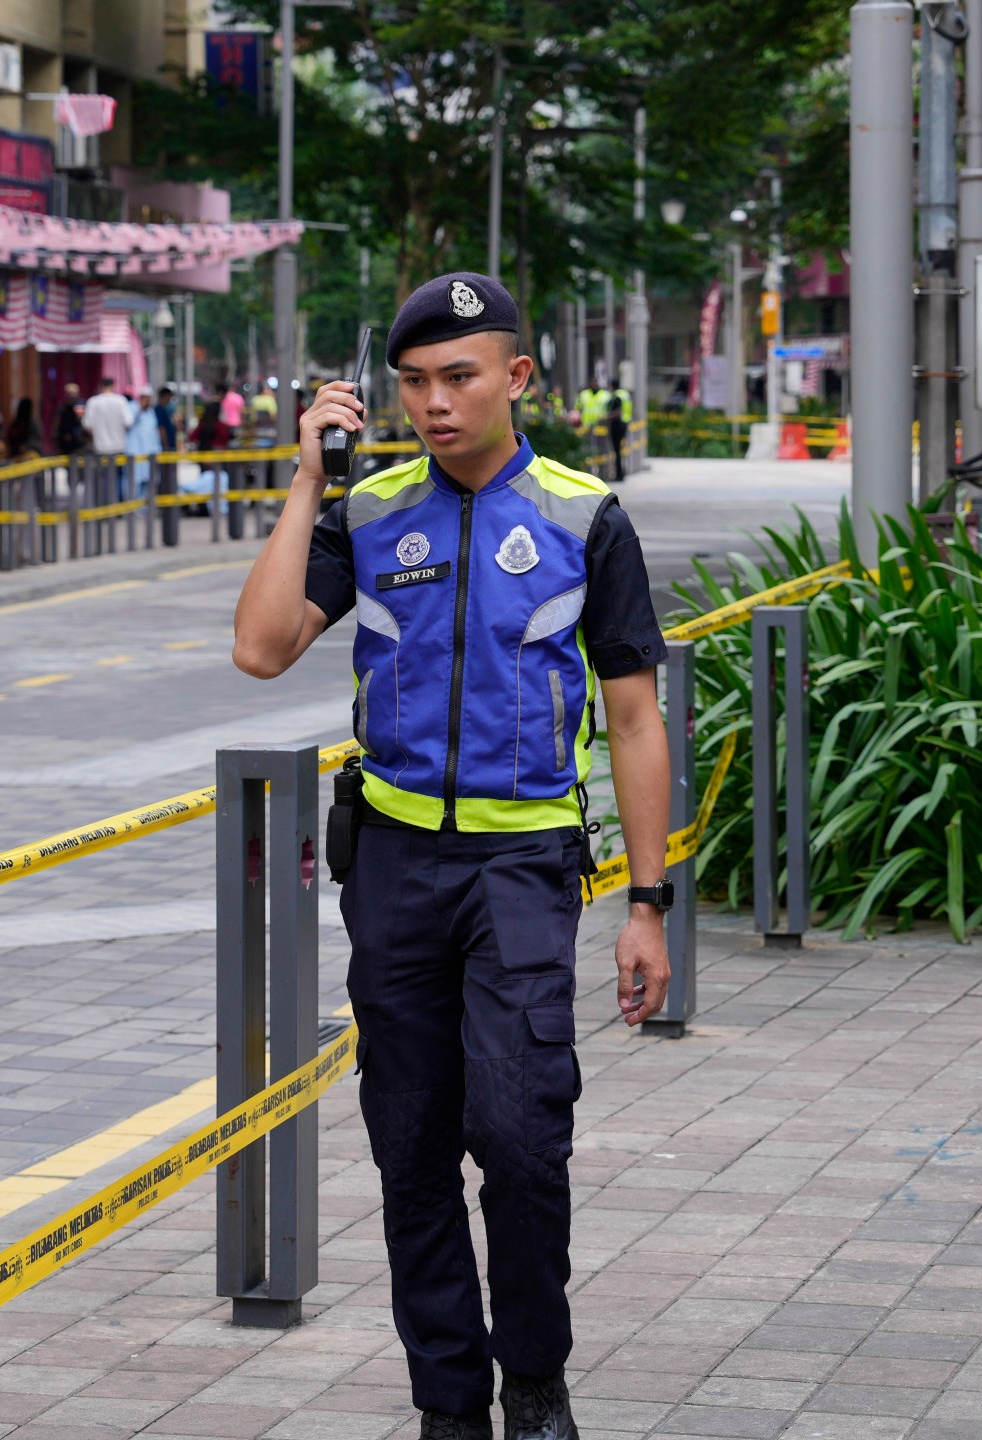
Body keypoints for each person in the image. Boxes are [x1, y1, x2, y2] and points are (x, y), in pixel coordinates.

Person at [231, 272, 670, 1440]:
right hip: (394, 871)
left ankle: (533, 1376)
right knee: (411, 1144)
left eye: (459, 378)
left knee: (523, 1136)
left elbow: (634, 718)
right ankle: (447, 1404)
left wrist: (647, 901)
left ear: (517, 378)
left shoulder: (587, 518)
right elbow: (262, 647)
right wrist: (303, 482)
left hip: (523, 867)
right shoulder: (368, 515)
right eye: (414, 382)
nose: (434, 402)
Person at [83, 375, 133, 458]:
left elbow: (87, 424)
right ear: (113, 386)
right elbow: (128, 422)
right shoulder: (121, 401)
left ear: (101, 386)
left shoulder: (93, 402)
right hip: (119, 446)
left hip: (100, 446)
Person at [54, 383, 91, 455]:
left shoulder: (79, 405)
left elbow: (82, 420)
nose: (72, 396)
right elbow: (58, 420)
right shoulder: (63, 406)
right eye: (70, 393)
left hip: (78, 440)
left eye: (74, 393)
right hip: (65, 439)